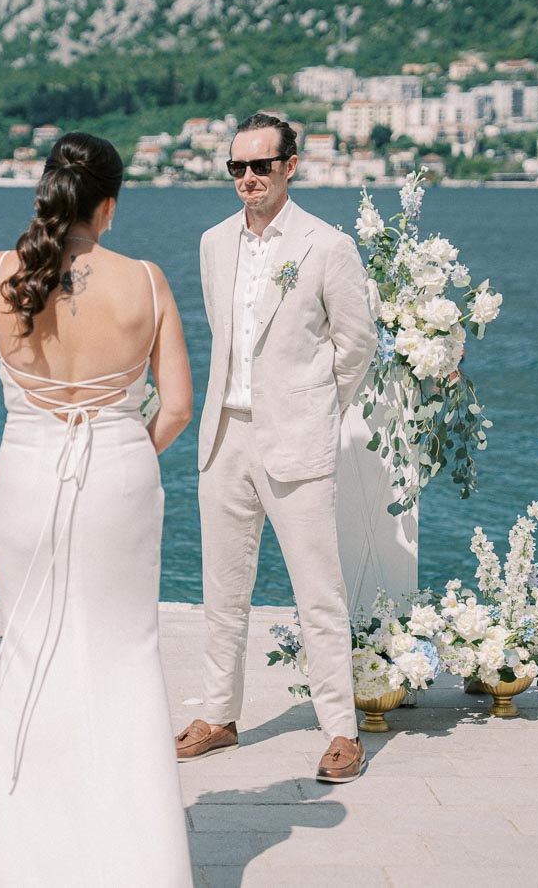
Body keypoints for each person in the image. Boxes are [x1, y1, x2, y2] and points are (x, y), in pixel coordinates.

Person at [0, 132, 194, 886]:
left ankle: (15, 842)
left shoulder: (1, 274)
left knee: (33, 646)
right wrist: (123, 454)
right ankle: (132, 857)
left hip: (27, 477)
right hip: (121, 478)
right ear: (108, 204)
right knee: (123, 654)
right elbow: (179, 409)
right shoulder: (148, 282)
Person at [175, 113, 377, 783]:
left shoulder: (327, 246)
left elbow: (357, 346)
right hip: (224, 432)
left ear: (291, 165)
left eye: (261, 165)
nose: (248, 178)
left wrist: (317, 411)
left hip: (296, 437)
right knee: (221, 589)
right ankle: (218, 715)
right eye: (237, 167)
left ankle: (341, 731)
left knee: (318, 591)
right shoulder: (212, 243)